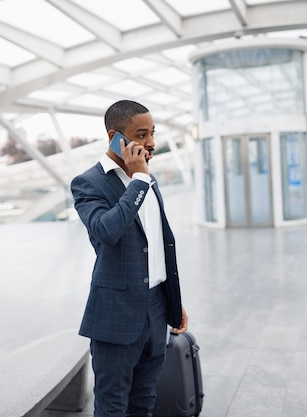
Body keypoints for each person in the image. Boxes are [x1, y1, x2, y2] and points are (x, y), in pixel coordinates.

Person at [70, 99, 188, 417]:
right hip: (116, 316)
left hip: (156, 309)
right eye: (140, 134)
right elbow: (106, 232)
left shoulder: (148, 177)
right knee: (112, 405)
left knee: (145, 399)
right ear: (115, 136)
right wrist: (137, 181)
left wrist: (172, 302)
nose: (150, 143)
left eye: (152, 133)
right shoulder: (89, 183)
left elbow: (157, 244)